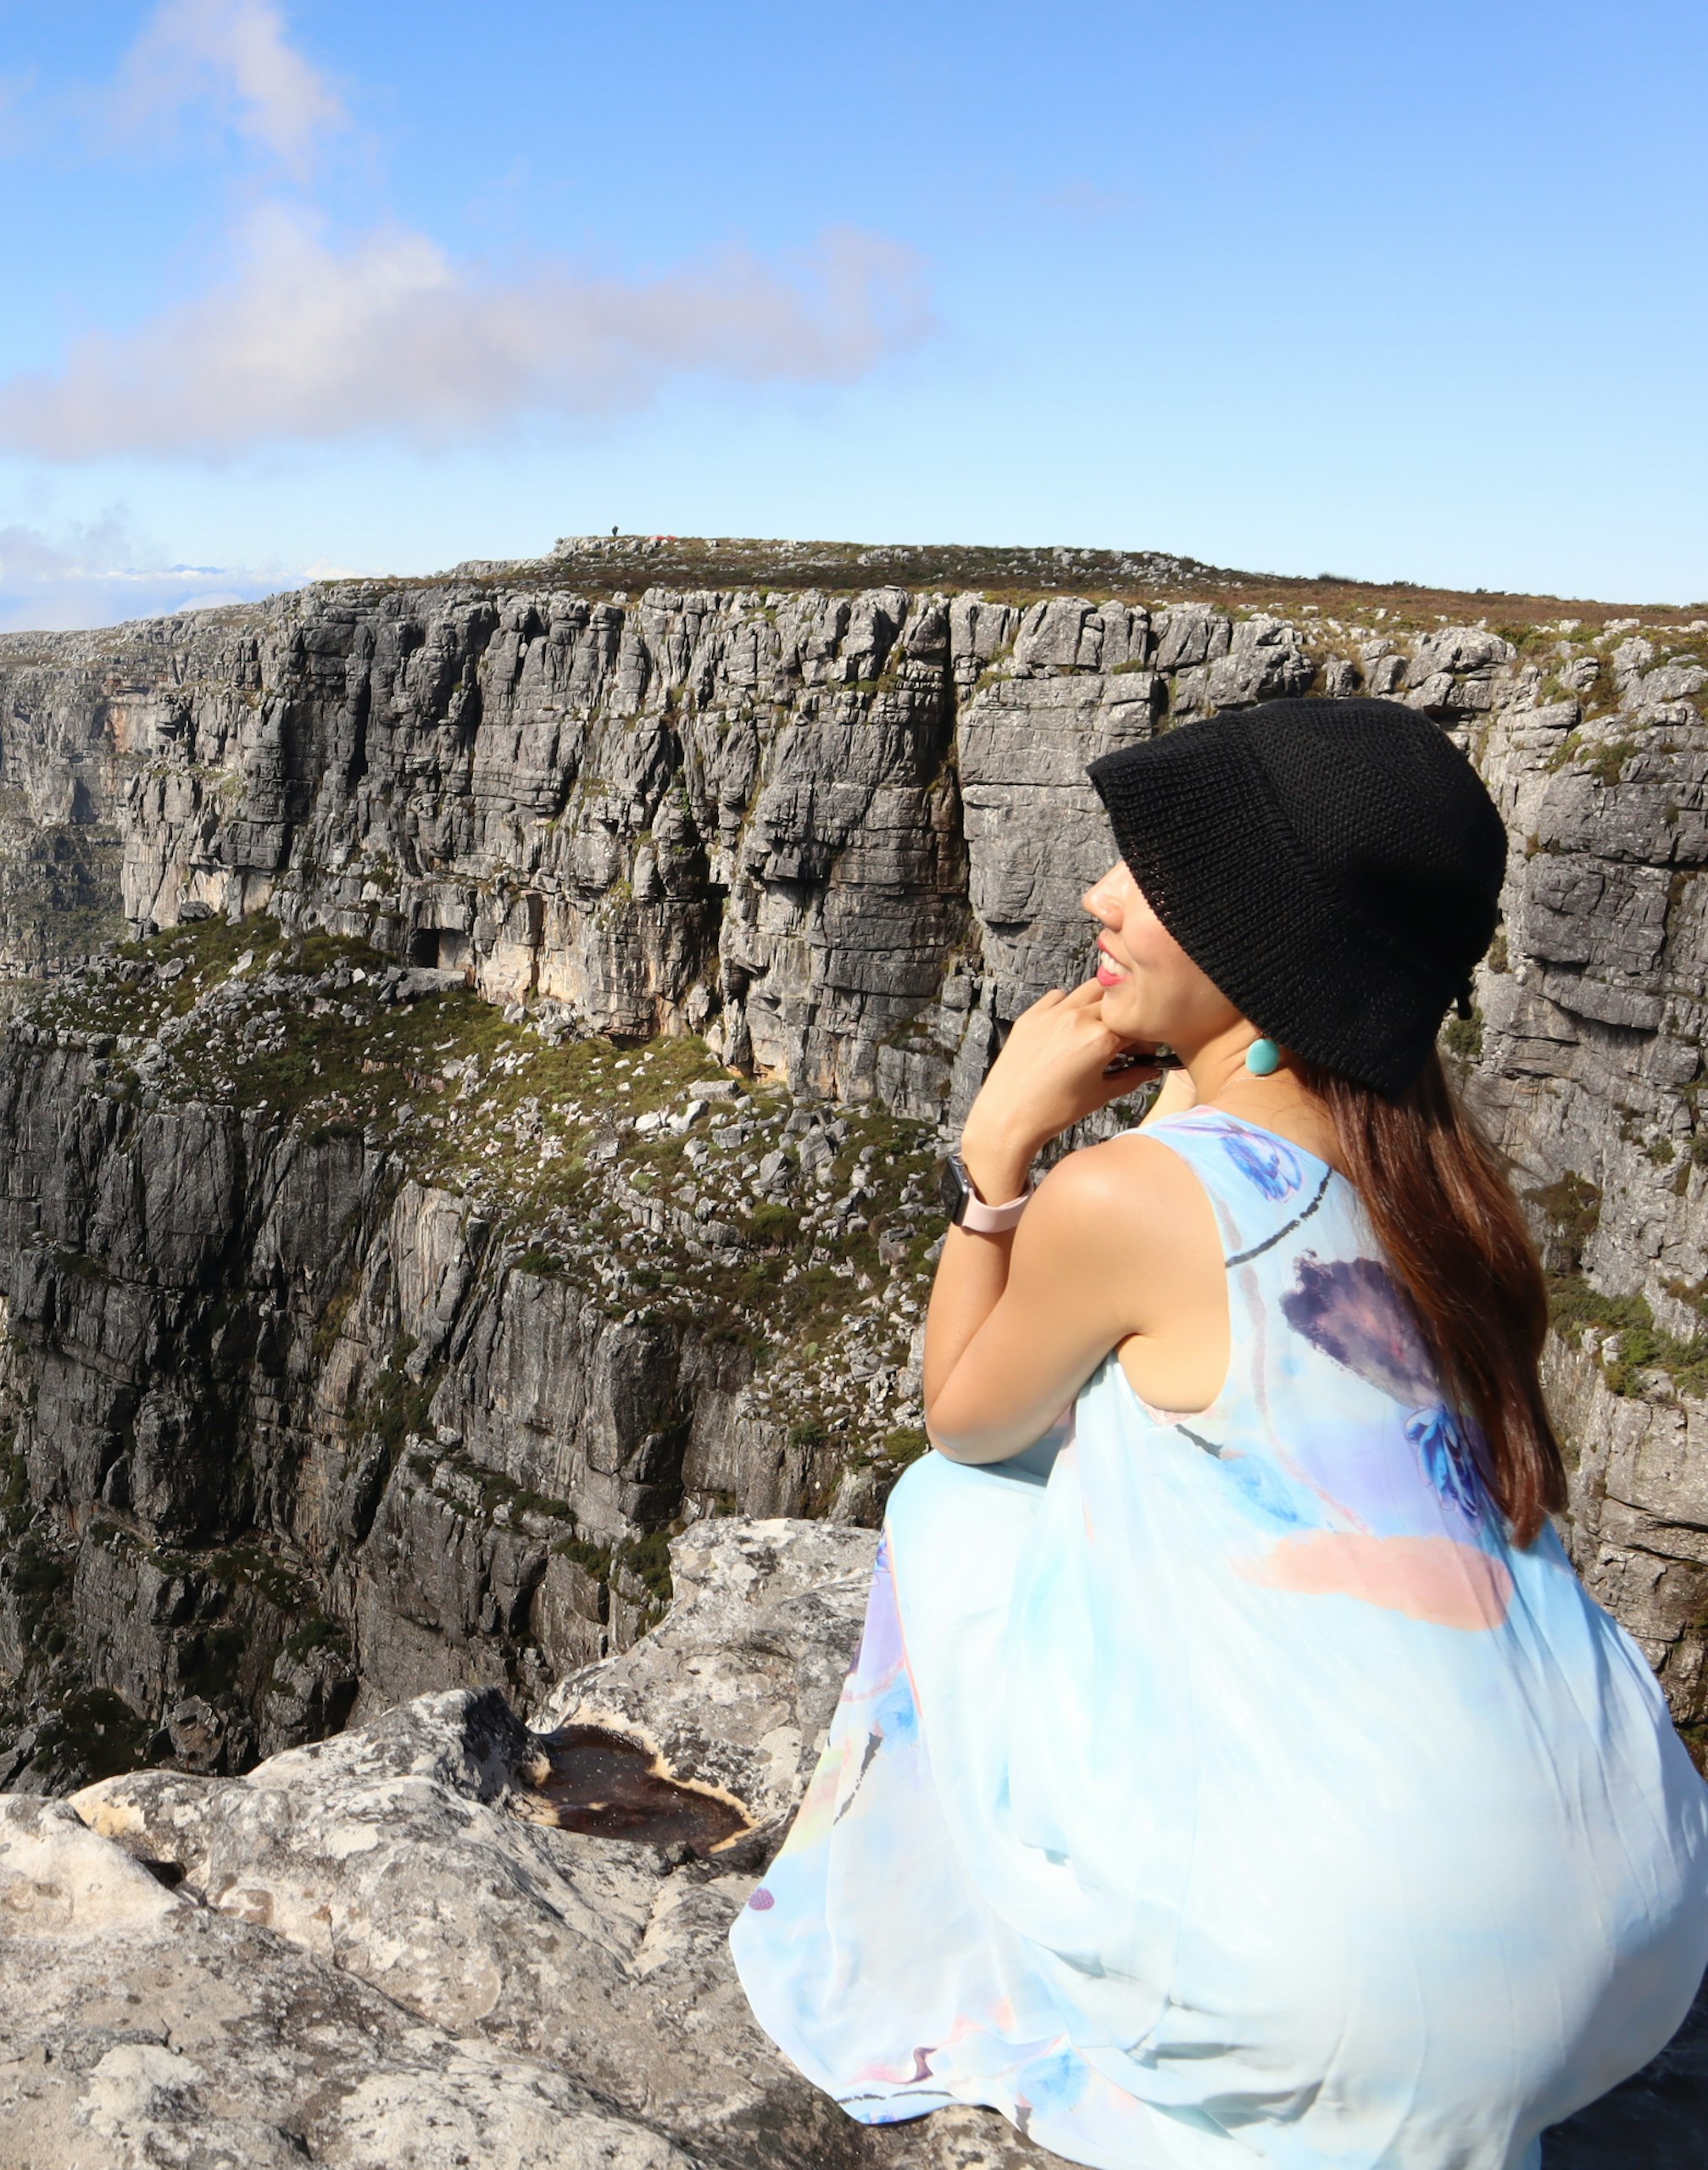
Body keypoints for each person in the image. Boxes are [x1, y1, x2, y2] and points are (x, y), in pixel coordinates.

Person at [730, 697, 1708, 2168]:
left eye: (1157, 876)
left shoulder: (1133, 1197)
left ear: (1265, 937)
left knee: (949, 1507)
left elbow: (967, 1417)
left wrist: (996, 1162)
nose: (1096, 897)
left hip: (1359, 2011)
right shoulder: (1447, 1192)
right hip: (1640, 1945)